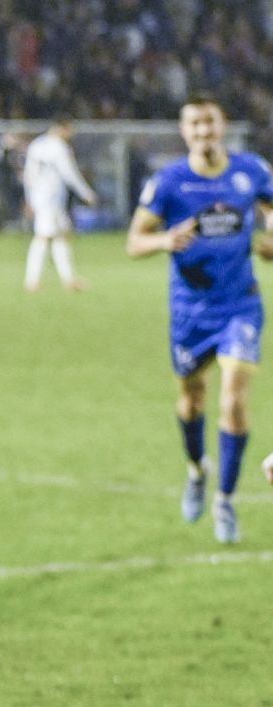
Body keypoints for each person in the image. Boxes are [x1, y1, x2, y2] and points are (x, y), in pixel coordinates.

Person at [127, 95, 273, 544]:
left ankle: (225, 500)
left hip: (240, 305)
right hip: (191, 311)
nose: (203, 132)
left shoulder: (252, 172)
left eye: (209, 123)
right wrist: (165, 240)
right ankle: (197, 470)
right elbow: (134, 241)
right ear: (183, 130)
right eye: (194, 125)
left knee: (233, 398)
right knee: (191, 401)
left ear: (222, 125)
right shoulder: (170, 183)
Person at [23, 118, 96, 291]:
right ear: (62, 128)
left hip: (40, 197)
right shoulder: (59, 147)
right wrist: (86, 193)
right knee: (43, 237)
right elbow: (69, 173)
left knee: (61, 235)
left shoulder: (36, 145)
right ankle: (32, 281)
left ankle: (69, 279)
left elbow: (29, 174)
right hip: (51, 198)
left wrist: (29, 198)